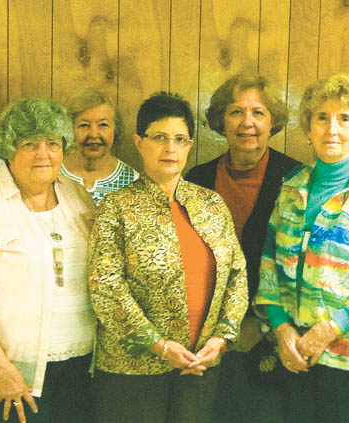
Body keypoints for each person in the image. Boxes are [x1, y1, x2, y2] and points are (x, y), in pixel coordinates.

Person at [253, 73, 349, 422]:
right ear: (309, 128)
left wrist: (327, 331)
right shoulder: (291, 189)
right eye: (322, 117)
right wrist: (282, 330)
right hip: (295, 355)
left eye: (344, 118)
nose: (331, 129)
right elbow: (268, 266)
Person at [88, 91, 248, 423]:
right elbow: (106, 288)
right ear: (139, 141)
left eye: (179, 139)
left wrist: (221, 338)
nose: (170, 148)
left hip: (199, 367)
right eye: (159, 137)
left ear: (190, 145)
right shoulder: (116, 207)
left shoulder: (212, 204)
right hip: (132, 373)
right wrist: (158, 345)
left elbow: (237, 275)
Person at [0, 98, 96, 423]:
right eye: (30, 144)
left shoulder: (77, 196)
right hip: (15, 374)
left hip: (81, 367)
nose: (44, 154)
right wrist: (3, 370)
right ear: (10, 149)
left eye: (53, 143)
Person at [185, 73, 300, 422]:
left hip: (273, 336)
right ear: (221, 120)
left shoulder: (296, 178)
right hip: (204, 338)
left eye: (258, 113)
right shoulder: (196, 180)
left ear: (272, 122)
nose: (247, 123)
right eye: (236, 112)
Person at [60, 88, 138, 204]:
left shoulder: (132, 182)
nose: (93, 134)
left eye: (103, 125)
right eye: (84, 125)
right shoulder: (54, 173)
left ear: (115, 129)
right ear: (69, 129)